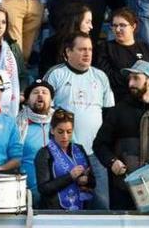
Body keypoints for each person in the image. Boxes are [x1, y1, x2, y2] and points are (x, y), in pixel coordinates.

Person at [93, 60, 149, 210]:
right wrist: (112, 161)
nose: (130, 83)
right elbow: (99, 145)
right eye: (130, 78)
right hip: (123, 191)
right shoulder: (118, 111)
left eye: (136, 78)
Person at [44, 31, 115, 209]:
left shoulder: (100, 77)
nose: (87, 53)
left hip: (96, 152)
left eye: (90, 49)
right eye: (82, 49)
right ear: (68, 52)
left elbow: (109, 115)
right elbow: (45, 114)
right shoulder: (56, 75)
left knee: (102, 205)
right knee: (66, 205)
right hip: (65, 153)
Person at [95, 7, 149, 102]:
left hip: (146, 100)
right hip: (119, 100)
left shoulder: (147, 48)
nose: (117, 29)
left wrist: (146, 86)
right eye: (114, 25)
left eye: (122, 25)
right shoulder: (105, 48)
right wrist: (138, 80)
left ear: (133, 26)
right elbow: (105, 76)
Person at [34, 108, 95, 210]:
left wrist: (86, 180)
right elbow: (44, 188)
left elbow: (93, 181)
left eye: (69, 132)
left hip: (81, 208)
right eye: (60, 131)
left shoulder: (79, 149)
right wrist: (70, 176)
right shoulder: (44, 153)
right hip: (54, 210)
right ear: (52, 130)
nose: (65, 136)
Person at [17, 80, 56, 202]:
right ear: (27, 100)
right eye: (35, 92)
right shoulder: (18, 124)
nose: (40, 95)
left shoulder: (61, 123)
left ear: (51, 100)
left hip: (59, 191)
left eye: (45, 92)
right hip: (28, 192)